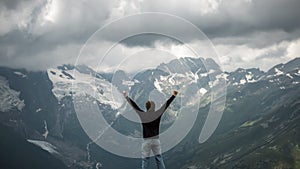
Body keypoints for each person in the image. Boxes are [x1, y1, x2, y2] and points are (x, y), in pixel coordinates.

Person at [123, 90, 178, 169]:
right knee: (159, 159)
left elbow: (134, 106)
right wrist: (173, 95)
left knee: (145, 160)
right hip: (156, 140)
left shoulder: (143, 115)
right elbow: (166, 105)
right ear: (154, 107)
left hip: (147, 141)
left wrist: (126, 97)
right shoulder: (157, 114)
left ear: (147, 107)